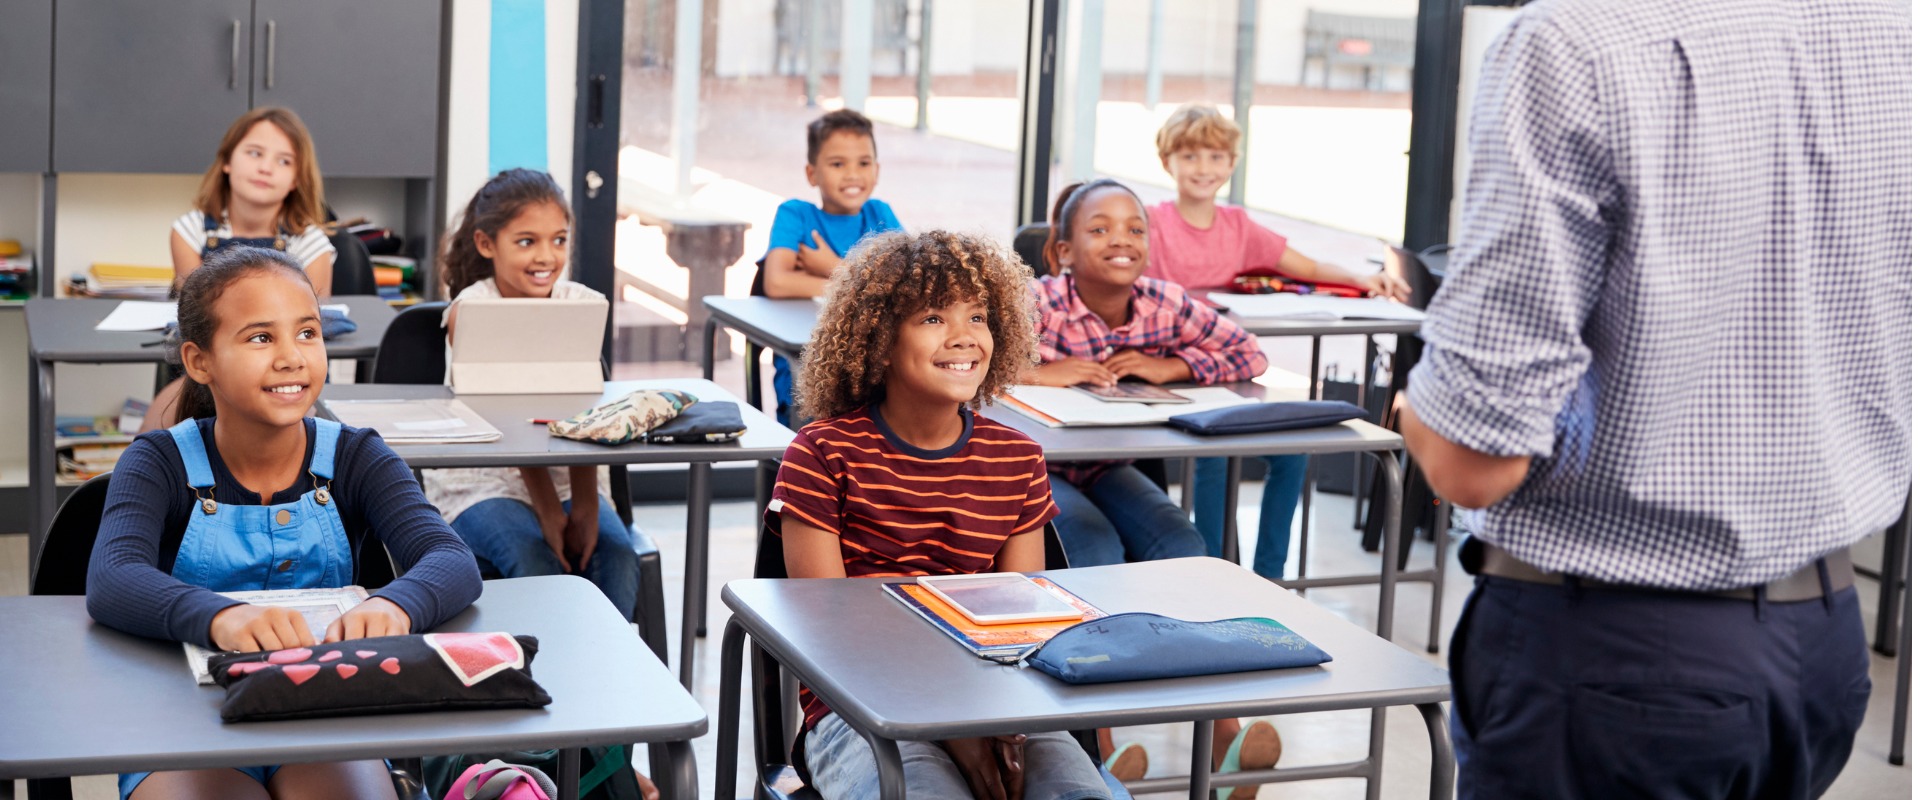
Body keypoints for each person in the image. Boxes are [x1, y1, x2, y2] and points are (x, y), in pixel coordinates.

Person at [1397, 0, 1909, 797]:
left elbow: (1473, 459)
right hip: (1821, 639)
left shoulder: (1574, 42)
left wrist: (1414, 411)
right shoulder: (1890, 33)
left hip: (1617, 659)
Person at [87, 246, 483, 800]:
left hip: (325, 718)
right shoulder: (158, 461)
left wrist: (395, 604)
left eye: (307, 333)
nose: (292, 357)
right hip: (183, 721)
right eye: (259, 338)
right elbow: (112, 577)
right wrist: (219, 617)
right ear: (200, 362)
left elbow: (450, 560)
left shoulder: (357, 455)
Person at [769, 229, 1111, 800]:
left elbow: (1019, 622)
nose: (963, 338)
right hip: (859, 710)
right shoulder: (822, 453)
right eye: (932, 318)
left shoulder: (1017, 456)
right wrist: (954, 732)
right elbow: (829, 634)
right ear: (877, 337)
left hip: (1001, 701)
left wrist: (982, 719)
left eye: (977, 317)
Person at [1024, 179, 1279, 796]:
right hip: (1040, 468)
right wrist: (1041, 370)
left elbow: (1249, 355)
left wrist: (1175, 365)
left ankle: (1227, 738)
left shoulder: (1164, 301)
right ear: (1062, 253)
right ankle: (1106, 740)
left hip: (1107, 465)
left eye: (1135, 229)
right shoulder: (1035, 301)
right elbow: (971, 361)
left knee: (1183, 546)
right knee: (1094, 552)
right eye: (1101, 228)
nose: (1122, 240)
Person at [1145, 103, 1410, 579]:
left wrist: (1364, 278)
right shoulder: (1152, 222)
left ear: (1230, 164)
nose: (1202, 168)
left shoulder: (1238, 227)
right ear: (1168, 163)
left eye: (1213, 156)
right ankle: (1216, 574)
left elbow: (1304, 268)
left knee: (1292, 452)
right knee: (1217, 454)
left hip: (1228, 368)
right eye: (1189, 156)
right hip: (1169, 372)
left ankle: (1268, 578)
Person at [427, 168, 643, 624]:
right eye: (526, 241)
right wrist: (547, 510)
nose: (547, 256)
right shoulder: (473, 310)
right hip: (483, 477)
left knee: (618, 556)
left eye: (559, 240)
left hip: (570, 470)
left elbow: (585, 404)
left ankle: (605, 673)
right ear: (487, 244)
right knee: (534, 556)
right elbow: (507, 417)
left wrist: (585, 500)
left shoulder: (581, 303)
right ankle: (543, 680)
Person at [143, 106, 338, 431]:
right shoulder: (190, 231)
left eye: (284, 161)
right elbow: (196, 319)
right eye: (255, 153)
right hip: (211, 368)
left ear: (296, 180)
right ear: (227, 162)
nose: (266, 167)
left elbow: (310, 329)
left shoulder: (311, 243)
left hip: (290, 381)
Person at [755, 108, 904, 425]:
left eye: (863, 164)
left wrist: (834, 267)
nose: (852, 174)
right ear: (812, 173)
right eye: (838, 164)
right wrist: (867, 285)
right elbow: (778, 283)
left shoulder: (880, 215)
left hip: (876, 372)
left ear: (876, 171)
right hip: (807, 371)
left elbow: (904, 287)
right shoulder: (796, 215)